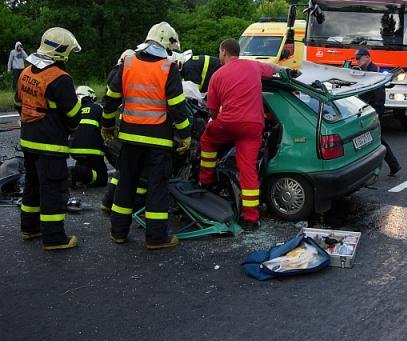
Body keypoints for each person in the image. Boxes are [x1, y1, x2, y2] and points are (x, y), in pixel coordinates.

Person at [102, 22, 191, 250]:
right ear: (167, 45)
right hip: (158, 140)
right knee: (157, 188)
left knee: (126, 183)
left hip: (130, 138)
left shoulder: (128, 62)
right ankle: (156, 237)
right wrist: (185, 134)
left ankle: (118, 232)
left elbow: (111, 96)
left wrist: (107, 124)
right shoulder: (167, 67)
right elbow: (176, 105)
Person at [198, 38, 283, 230]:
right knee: (247, 169)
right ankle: (251, 218)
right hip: (253, 126)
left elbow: (211, 111)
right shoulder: (253, 66)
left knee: (207, 139)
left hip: (228, 123)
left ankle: (206, 182)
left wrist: (216, 119)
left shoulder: (217, 76)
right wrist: (288, 71)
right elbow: (274, 68)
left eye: (219, 53)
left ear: (224, 52)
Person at [16, 27, 82, 250]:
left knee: (32, 185)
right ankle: (54, 238)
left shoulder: (25, 73)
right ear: (62, 52)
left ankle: (29, 228)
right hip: (50, 144)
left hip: (28, 141)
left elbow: (19, 105)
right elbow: (73, 115)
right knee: (53, 188)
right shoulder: (60, 78)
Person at [355, 48, 401, 177]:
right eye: (356, 58)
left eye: (359, 57)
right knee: (374, 139)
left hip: (372, 112)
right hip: (366, 111)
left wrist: (376, 114)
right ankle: (393, 165)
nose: (357, 60)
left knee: (373, 139)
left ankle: (387, 166)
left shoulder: (374, 72)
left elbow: (379, 96)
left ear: (367, 57)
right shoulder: (364, 71)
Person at [69, 86, 108, 188]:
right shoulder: (97, 108)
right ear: (90, 96)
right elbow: (106, 129)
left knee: (86, 170)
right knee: (102, 179)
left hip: (74, 150)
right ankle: (73, 172)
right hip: (93, 152)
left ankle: (78, 173)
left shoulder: (75, 111)